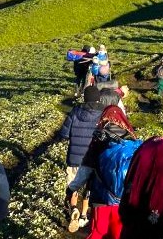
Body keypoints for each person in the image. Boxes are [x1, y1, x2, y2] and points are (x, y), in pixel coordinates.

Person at [66, 106, 138, 239]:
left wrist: (72, 188)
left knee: (98, 232)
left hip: (101, 198)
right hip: (124, 201)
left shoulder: (99, 140)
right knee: (118, 234)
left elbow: (85, 171)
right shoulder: (132, 141)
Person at [59, 85, 105, 232]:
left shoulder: (75, 111)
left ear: (84, 98)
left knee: (73, 185)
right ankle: (84, 215)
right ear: (98, 99)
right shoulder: (102, 115)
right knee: (89, 188)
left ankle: (73, 209)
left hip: (74, 158)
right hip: (92, 159)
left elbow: (64, 134)